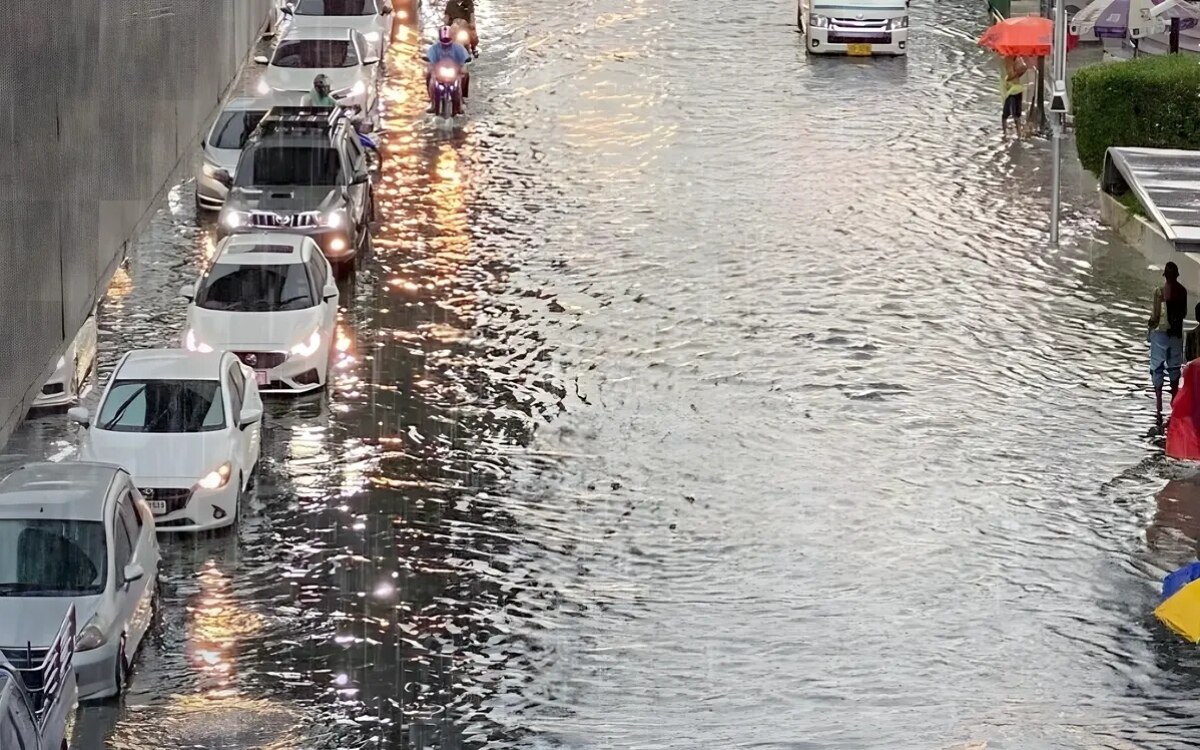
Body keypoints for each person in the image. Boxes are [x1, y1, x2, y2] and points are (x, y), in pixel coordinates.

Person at [1150, 261, 1188, 417]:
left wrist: (1149, 328)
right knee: (1174, 370)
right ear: (1177, 275)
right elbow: (1184, 313)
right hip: (1176, 336)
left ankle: (1158, 407)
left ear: (1165, 275)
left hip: (1160, 335)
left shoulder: (1159, 292)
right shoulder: (1183, 292)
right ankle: (1174, 406)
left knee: (1157, 368)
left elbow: (1155, 316)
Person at [426, 26, 471, 115]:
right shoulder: (434, 48)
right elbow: (430, 61)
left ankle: (461, 101)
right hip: (439, 73)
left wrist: (463, 67)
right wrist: (431, 69)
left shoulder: (458, 48)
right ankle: (433, 104)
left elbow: (464, 60)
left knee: (465, 76)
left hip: (455, 73)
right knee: (430, 79)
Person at [1000, 55, 1027, 137]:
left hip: (1013, 90)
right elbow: (1022, 69)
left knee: (1011, 114)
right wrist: (1017, 73)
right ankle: (1016, 134)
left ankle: (1009, 134)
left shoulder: (1011, 59)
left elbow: (1011, 75)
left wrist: (1016, 74)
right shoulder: (1011, 59)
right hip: (1014, 89)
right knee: (1014, 114)